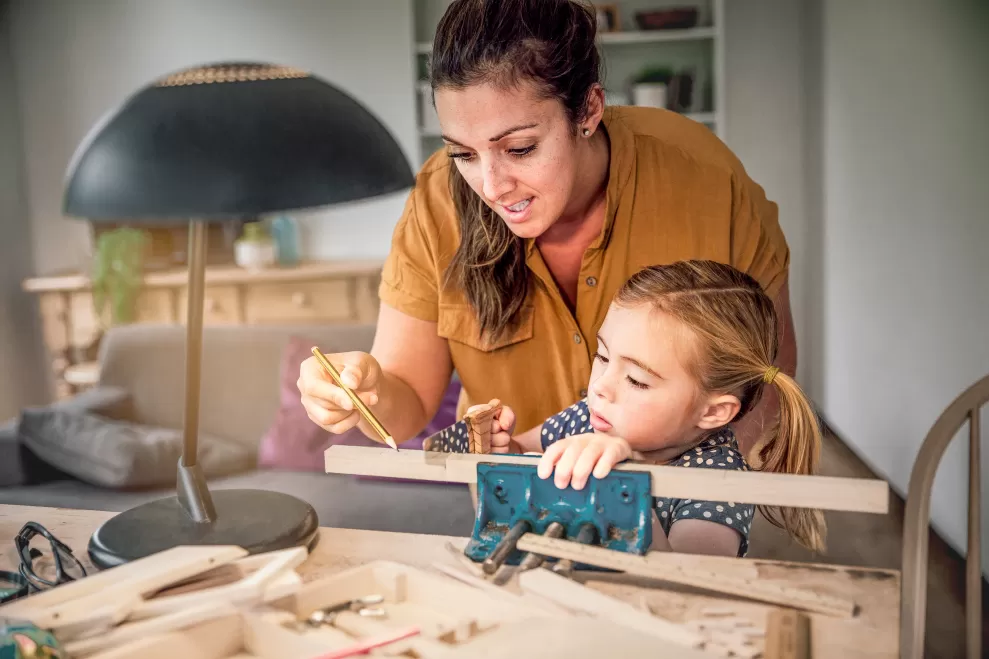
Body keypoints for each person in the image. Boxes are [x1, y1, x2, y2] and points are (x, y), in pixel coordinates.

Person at [297, 0, 795, 461]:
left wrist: (684, 495)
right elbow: (406, 402)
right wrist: (364, 392)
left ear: (589, 110)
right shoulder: (436, 204)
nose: (491, 186)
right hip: (512, 511)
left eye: (519, 149)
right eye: (463, 154)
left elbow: (766, 383)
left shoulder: (705, 180)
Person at [488, 260, 825, 557]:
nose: (601, 386)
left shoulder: (716, 482)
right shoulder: (590, 419)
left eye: (636, 380)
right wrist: (502, 445)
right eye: (602, 356)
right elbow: (521, 452)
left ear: (712, 412)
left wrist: (620, 483)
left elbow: (689, 581)